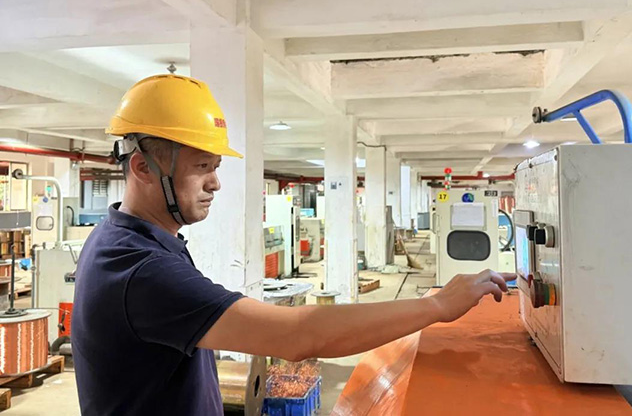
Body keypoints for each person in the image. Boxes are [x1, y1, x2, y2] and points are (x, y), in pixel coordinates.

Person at [72, 74, 515, 416]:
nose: (216, 182)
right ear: (143, 168)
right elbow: (298, 335)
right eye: (202, 166)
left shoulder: (136, 240)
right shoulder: (139, 269)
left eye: (216, 166)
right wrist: (437, 305)